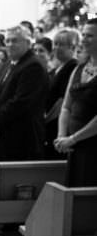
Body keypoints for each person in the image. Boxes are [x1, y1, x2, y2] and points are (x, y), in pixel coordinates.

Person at [0, 25, 48, 160]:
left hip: (23, 136)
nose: (10, 45)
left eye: (15, 40)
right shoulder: (10, 63)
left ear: (28, 43)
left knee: (18, 178)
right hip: (7, 132)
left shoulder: (33, 66)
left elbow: (21, 102)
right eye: (8, 41)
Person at [54, 18, 97, 185]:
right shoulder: (80, 67)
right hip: (74, 146)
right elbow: (66, 106)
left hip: (92, 144)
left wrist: (73, 138)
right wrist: (61, 136)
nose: (84, 39)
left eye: (90, 36)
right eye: (84, 35)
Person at [44, 29, 79, 157]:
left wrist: (45, 119)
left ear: (72, 47)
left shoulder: (72, 67)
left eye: (61, 44)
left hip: (58, 123)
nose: (56, 48)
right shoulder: (58, 68)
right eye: (55, 44)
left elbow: (62, 101)